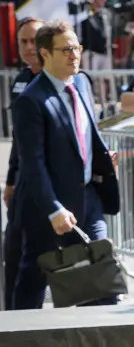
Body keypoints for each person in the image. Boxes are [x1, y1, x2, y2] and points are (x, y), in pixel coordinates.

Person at [10, 21, 120, 310]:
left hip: (87, 197)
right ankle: (19, 345)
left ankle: (99, 343)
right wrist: (53, 209)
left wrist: (102, 159)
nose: (75, 55)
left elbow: (84, 132)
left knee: (101, 272)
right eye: (67, 49)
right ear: (45, 53)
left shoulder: (81, 83)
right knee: (34, 280)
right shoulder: (31, 101)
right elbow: (32, 164)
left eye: (77, 48)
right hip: (50, 207)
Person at [3, 17, 43, 309]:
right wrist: (10, 180)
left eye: (35, 41)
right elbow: (19, 139)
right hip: (23, 186)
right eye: (23, 42)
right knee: (13, 256)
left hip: (54, 189)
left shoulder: (67, 79)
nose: (29, 48)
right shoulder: (19, 79)